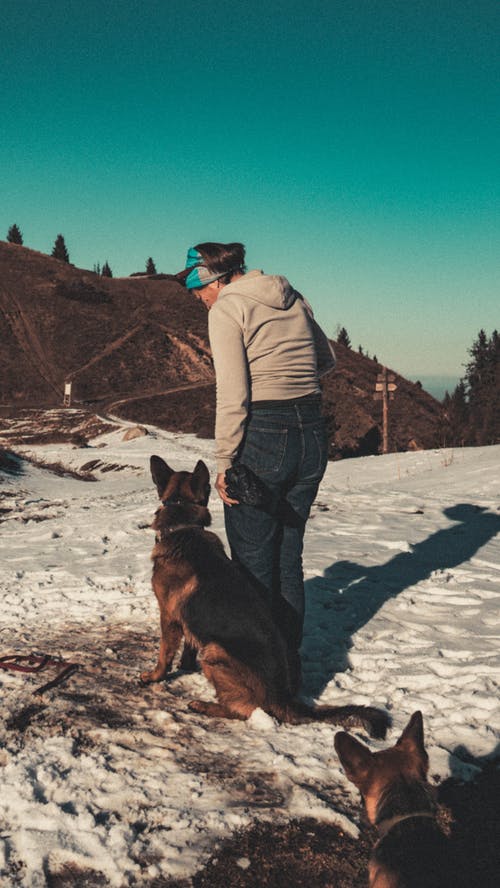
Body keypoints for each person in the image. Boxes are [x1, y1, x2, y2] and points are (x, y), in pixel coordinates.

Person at [176, 242, 335, 692]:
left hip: (264, 433)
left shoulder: (227, 308)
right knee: (288, 558)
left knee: (251, 565)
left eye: (198, 292)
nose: (200, 301)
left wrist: (225, 460)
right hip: (312, 432)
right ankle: (288, 671)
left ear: (213, 280)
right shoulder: (290, 295)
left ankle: (260, 677)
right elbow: (326, 360)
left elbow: (233, 393)